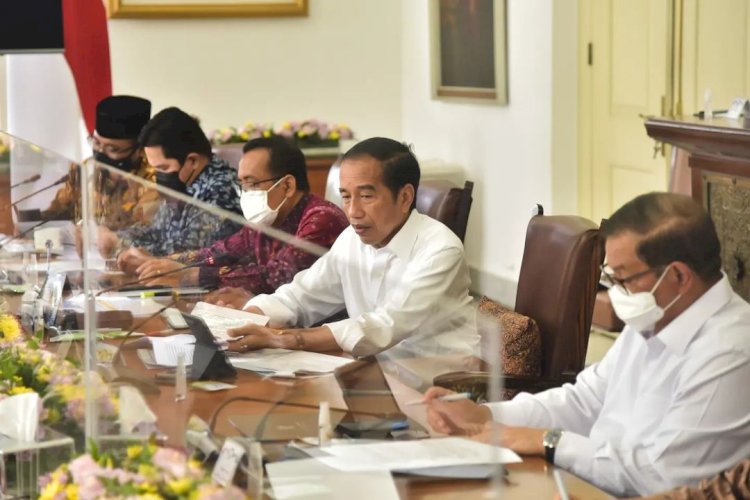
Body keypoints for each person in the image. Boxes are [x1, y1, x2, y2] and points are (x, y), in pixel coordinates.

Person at [423, 192, 750, 497]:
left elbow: (662, 478)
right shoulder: (661, 312)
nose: (614, 293)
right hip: (583, 483)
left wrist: (549, 442)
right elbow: (584, 400)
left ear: (679, 276)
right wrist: (484, 417)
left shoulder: (731, 351)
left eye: (623, 279)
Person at [226, 137, 478, 370]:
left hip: (436, 382)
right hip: (368, 374)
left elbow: (382, 326)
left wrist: (283, 339)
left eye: (366, 196)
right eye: (346, 197)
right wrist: (239, 322)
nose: (353, 211)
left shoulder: (441, 249)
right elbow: (301, 295)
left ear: (405, 197)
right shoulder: (352, 239)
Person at [132, 136, 349, 307]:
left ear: (288, 186)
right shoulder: (268, 219)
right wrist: (165, 265)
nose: (246, 193)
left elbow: (278, 275)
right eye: (242, 184)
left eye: (252, 184)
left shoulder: (321, 219)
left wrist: (189, 274)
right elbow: (220, 251)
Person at [108, 107, 242, 265]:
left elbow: (189, 252)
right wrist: (117, 238)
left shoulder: (222, 190)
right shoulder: (183, 185)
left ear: (193, 161)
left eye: (163, 168)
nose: (157, 175)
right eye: (155, 168)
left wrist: (128, 247)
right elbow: (156, 232)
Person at [45, 95, 160, 228]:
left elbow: (140, 232)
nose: (100, 152)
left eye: (112, 149)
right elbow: (60, 208)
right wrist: (35, 221)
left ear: (140, 150)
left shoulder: (153, 181)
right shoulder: (84, 169)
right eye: (96, 143)